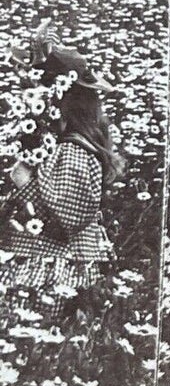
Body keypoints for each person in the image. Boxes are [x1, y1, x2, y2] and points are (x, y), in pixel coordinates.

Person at [0, 44, 124, 294]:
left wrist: (25, 183)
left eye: (34, 92)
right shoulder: (56, 146)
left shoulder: (72, 151)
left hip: (56, 271)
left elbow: (68, 218)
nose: (27, 100)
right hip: (46, 265)